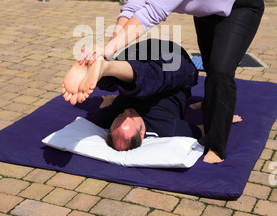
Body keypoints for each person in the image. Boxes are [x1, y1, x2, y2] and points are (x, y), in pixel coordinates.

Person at [63, 0, 264, 163]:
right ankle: (214, 104)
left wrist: (107, 51)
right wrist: (108, 52)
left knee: (221, 70)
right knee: (210, 63)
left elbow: (151, 13)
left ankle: (216, 145)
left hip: (239, 6)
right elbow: (132, 10)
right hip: (206, 14)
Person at [64, 39, 203, 151]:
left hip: (138, 53)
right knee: (151, 80)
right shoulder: (167, 128)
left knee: (110, 83)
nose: (125, 111)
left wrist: (108, 100)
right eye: (129, 117)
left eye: (120, 116)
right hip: (172, 60)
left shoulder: (107, 120)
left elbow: (106, 102)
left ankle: (103, 69)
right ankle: (106, 67)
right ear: (142, 134)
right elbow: (203, 130)